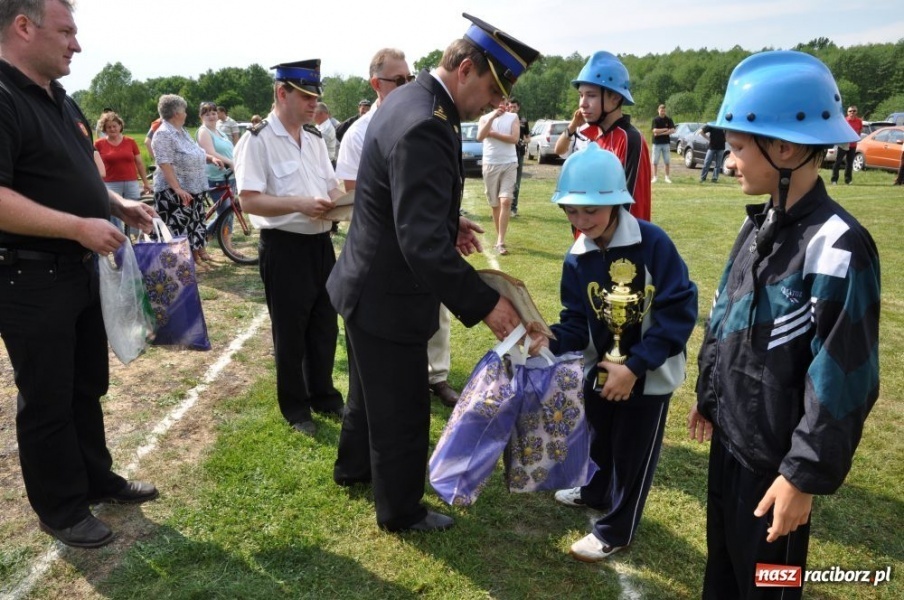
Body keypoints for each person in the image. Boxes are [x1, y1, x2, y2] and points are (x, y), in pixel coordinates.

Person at [327, 13, 538, 533]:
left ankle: (354, 470)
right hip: (387, 292)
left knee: (365, 392)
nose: (493, 102)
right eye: (491, 88)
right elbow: (420, 245)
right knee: (399, 408)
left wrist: (449, 220)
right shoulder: (427, 122)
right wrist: (489, 305)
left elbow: (402, 201)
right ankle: (400, 511)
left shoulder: (412, 98)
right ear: (465, 68)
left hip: (367, 281)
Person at [688, 51, 880, 599]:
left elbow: (846, 376)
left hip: (776, 469)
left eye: (738, 146)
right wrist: (709, 394)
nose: (727, 161)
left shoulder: (838, 246)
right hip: (733, 448)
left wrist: (801, 475)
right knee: (722, 576)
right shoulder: (759, 227)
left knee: (767, 588)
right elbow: (727, 315)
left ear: (787, 148)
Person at [0, 0, 158, 549]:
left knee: (85, 385)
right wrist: (76, 227)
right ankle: (61, 509)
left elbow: (74, 178)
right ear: (24, 26)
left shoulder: (60, 98)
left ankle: (95, 478)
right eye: (66, 31)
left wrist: (117, 207)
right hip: (29, 277)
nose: (76, 44)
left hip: (79, 268)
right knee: (47, 397)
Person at [536, 145, 697, 561]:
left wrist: (637, 367)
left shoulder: (653, 243)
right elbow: (574, 320)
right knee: (599, 440)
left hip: (649, 376)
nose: (581, 221)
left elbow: (679, 312)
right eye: (572, 210)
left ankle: (617, 529)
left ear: (616, 201)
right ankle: (594, 491)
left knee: (633, 455)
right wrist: (544, 339)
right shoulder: (578, 256)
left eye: (591, 210)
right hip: (600, 371)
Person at [335, 48, 458, 407]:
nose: (408, 85)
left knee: (437, 315)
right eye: (398, 80)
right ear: (376, 84)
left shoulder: (419, 117)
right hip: (385, 255)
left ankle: (437, 375)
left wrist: (446, 219)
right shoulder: (359, 132)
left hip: (418, 242)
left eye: (409, 78)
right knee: (386, 404)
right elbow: (355, 193)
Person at [233, 59, 345, 437]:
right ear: (282, 93)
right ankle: (296, 409)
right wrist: (299, 203)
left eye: (316, 97)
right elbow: (249, 201)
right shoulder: (258, 140)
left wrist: (340, 202)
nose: (314, 104)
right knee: (290, 332)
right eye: (306, 96)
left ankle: (324, 395)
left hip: (320, 244)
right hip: (284, 247)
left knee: (324, 326)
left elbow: (331, 186)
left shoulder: (313, 139)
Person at [553, 51, 651, 221]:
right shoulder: (593, 136)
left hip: (616, 245)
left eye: (591, 95)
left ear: (615, 98)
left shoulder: (629, 139)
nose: (583, 103)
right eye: (581, 95)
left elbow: (632, 205)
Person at [151, 94, 224, 266]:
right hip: (175, 192)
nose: (186, 113)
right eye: (183, 110)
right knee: (178, 230)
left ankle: (193, 260)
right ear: (176, 113)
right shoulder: (163, 133)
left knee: (194, 225)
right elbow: (164, 162)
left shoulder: (181, 131)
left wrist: (209, 158)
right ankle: (180, 268)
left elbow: (195, 151)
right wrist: (177, 188)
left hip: (194, 189)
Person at [94, 111, 152, 231]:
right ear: (104, 129)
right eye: (108, 127)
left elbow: (139, 163)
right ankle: (121, 243)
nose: (112, 129)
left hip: (131, 182)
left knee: (135, 211)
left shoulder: (130, 141)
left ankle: (137, 241)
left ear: (120, 126)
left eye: (114, 126)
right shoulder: (99, 144)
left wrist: (146, 183)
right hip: (110, 184)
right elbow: (94, 164)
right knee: (115, 215)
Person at [477, 99, 519, 255]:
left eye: (504, 100)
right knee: (495, 205)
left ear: (507, 102)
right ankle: (499, 237)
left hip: (509, 163)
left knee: (506, 201)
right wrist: (492, 117)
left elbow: (514, 139)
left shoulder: (513, 117)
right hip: (490, 164)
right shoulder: (484, 118)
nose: (501, 103)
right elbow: (480, 136)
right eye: (498, 100)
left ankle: (500, 241)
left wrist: (493, 134)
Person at [196, 100, 235, 247]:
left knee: (228, 213)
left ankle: (210, 236)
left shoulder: (220, 132)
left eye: (213, 113)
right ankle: (226, 245)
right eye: (207, 114)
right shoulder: (203, 131)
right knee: (226, 213)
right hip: (216, 177)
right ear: (201, 116)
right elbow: (210, 153)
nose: (211, 116)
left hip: (229, 176)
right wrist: (230, 163)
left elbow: (229, 150)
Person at [830, 105, 863, 185]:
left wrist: (856, 138)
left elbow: (859, 131)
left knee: (849, 163)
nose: (852, 112)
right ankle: (834, 180)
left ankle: (848, 180)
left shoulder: (859, 121)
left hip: (853, 145)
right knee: (838, 162)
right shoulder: (844, 121)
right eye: (850, 111)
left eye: (854, 111)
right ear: (847, 112)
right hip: (843, 144)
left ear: (856, 112)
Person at [508, 97, 529, 216]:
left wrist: (523, 141)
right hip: (506, 153)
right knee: (504, 180)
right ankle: (501, 208)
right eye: (510, 106)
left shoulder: (523, 120)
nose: (512, 109)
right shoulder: (504, 118)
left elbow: (528, 137)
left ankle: (513, 208)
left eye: (514, 107)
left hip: (519, 153)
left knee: (516, 181)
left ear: (518, 108)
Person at [650, 104, 675, 183]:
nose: (663, 112)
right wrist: (665, 129)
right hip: (656, 143)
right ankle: (655, 177)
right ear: (658, 111)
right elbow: (654, 130)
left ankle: (667, 177)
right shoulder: (655, 120)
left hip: (666, 143)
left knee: (667, 161)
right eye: (661, 111)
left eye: (664, 111)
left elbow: (673, 130)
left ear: (665, 111)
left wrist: (660, 133)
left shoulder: (669, 119)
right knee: (655, 161)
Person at [314, 102, 338, 166]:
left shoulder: (326, 130)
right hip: (323, 163)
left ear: (321, 114)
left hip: (327, 165)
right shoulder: (319, 125)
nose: (312, 115)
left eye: (314, 113)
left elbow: (314, 147)